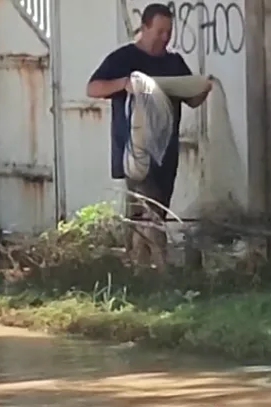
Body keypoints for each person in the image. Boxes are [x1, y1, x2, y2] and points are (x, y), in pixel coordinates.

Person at [86, 3, 212, 269]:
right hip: (134, 150)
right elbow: (93, 88)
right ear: (143, 28)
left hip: (166, 151)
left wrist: (203, 89)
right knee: (149, 210)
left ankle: (136, 267)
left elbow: (192, 100)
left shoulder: (173, 62)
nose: (165, 37)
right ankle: (161, 269)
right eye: (160, 31)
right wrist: (125, 84)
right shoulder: (123, 58)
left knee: (154, 212)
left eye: (169, 32)